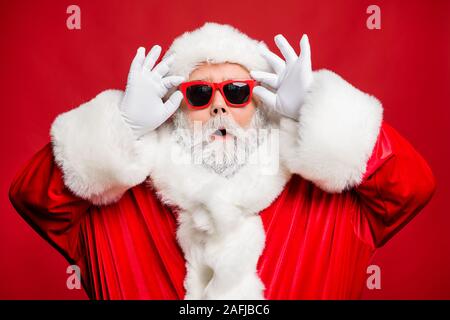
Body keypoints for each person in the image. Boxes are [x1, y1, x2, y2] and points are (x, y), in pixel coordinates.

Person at [9, 22, 435, 299]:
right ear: (174, 111)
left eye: (236, 92)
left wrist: (322, 115)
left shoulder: (333, 202)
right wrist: (118, 127)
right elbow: (35, 200)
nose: (219, 108)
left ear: (262, 104)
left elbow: (412, 187)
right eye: (199, 94)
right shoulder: (112, 206)